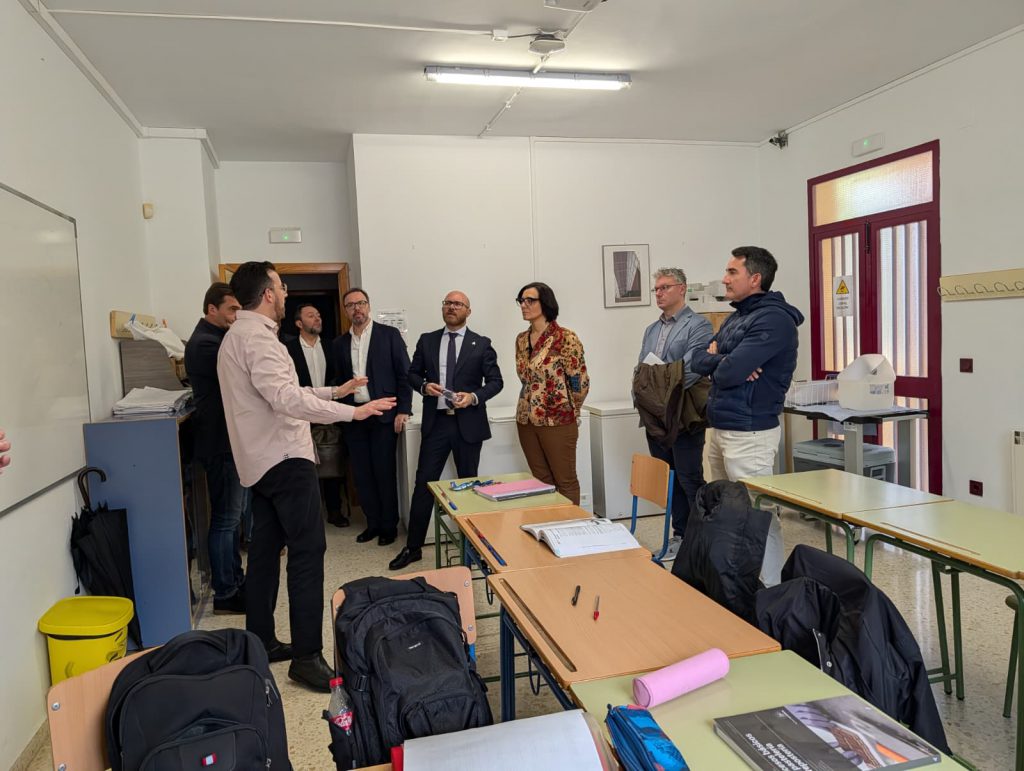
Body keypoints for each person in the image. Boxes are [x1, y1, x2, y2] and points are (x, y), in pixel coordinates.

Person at [218, 261, 395, 692]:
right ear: (267, 294)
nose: (285, 293)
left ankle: (261, 639)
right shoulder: (258, 339)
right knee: (308, 551)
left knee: (264, 552)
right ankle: (306, 656)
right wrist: (352, 412)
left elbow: (286, 392)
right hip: (284, 458)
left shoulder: (239, 336)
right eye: (281, 286)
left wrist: (336, 391)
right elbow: (285, 400)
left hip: (261, 461)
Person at [690, 246, 804, 587]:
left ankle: (770, 589)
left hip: (750, 431)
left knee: (757, 516)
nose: (724, 279)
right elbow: (698, 359)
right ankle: (734, 585)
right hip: (722, 426)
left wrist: (726, 362)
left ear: (755, 278)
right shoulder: (737, 317)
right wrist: (724, 360)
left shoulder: (774, 320)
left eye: (732, 272)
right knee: (724, 513)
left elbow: (728, 374)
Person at [389, 291, 504, 570]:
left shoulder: (481, 343)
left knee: (470, 487)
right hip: (437, 423)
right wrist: (423, 386)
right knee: (424, 485)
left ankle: (473, 548)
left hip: (468, 424)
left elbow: (496, 381)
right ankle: (413, 547)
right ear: (443, 308)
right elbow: (412, 374)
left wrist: (474, 397)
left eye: (458, 304)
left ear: (468, 311)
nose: (452, 307)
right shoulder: (427, 340)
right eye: (448, 303)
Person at [637, 268, 713, 556]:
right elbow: (642, 369)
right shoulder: (651, 329)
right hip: (655, 414)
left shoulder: (698, 325)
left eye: (665, 287)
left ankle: (700, 540)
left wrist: (659, 389)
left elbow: (692, 368)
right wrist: (645, 393)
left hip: (683, 411)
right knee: (668, 478)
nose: (658, 293)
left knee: (689, 477)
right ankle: (680, 534)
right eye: (656, 289)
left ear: (682, 289)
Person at [184, 282, 247, 615]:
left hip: (225, 441)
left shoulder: (216, 339)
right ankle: (226, 592)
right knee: (225, 519)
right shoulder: (207, 344)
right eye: (232, 309)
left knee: (231, 518)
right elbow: (242, 378)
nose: (236, 316)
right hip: (220, 443)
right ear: (212, 309)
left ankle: (234, 579)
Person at [332, 288, 413, 546]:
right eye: (351, 305)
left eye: (361, 303)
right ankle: (373, 523)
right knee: (362, 475)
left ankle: (388, 525)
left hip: (383, 416)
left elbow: (405, 374)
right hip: (354, 417)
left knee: (384, 472)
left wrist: (404, 409)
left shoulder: (389, 336)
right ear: (345, 310)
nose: (356, 308)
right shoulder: (338, 344)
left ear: (368, 306)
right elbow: (336, 382)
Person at [514, 282, 590, 504]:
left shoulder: (565, 337)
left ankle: (570, 525)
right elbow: (525, 378)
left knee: (565, 481)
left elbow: (579, 381)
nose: (524, 305)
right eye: (521, 301)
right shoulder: (521, 339)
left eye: (530, 300)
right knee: (541, 482)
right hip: (526, 419)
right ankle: (548, 523)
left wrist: (571, 408)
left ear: (545, 303)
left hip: (558, 418)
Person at [284, 302, 348, 528]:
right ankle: (306, 516)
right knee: (303, 466)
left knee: (332, 460)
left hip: (329, 411)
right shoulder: (287, 349)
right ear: (299, 323)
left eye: (319, 315)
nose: (317, 318)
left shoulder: (333, 346)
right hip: (300, 414)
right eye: (311, 316)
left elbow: (340, 377)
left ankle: (334, 510)